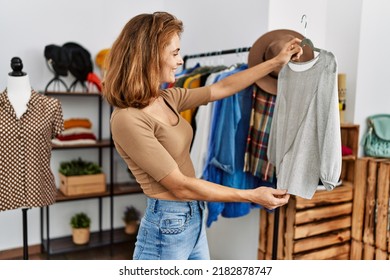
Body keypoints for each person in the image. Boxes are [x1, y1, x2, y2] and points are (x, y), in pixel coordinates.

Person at [102, 11, 303, 260]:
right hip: (167, 227)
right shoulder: (127, 119)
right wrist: (251, 195)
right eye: (174, 53)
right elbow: (180, 186)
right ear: (150, 56)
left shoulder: (168, 98)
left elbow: (222, 87)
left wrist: (275, 63)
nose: (180, 61)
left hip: (194, 216)